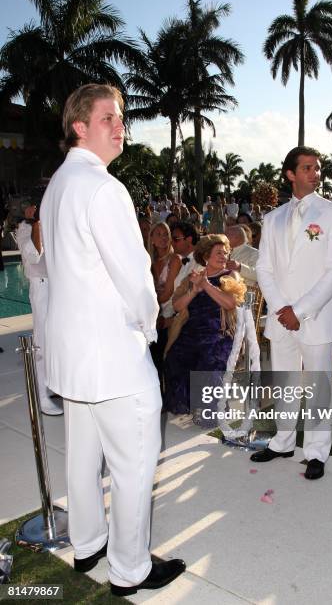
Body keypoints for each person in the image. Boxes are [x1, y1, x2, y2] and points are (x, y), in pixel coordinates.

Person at [40, 84, 185, 597]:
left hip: (75, 358)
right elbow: (136, 278)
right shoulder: (104, 187)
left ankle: (87, 546)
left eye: (121, 117)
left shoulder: (58, 184)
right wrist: (148, 329)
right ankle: (130, 570)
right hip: (114, 357)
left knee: (82, 457)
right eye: (109, 117)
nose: (120, 125)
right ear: (80, 126)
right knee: (133, 464)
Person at [250, 146, 332, 480]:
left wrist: (300, 310)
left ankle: (317, 452)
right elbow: (264, 268)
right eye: (307, 168)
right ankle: (283, 441)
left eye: (317, 168)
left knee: (319, 384)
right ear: (290, 174)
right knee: (286, 382)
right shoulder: (273, 217)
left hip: (316, 316)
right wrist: (282, 309)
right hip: (282, 318)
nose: (315, 173)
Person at [163, 234, 245, 415]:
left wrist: (206, 285)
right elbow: (177, 306)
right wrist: (194, 291)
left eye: (225, 253)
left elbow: (231, 303)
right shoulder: (194, 277)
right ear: (206, 256)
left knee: (208, 359)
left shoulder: (231, 275)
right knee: (175, 356)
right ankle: (186, 405)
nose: (224, 256)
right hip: (191, 332)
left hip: (220, 334)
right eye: (218, 253)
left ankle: (208, 410)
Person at [15, 203, 63, 415]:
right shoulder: (25, 228)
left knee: (58, 338)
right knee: (41, 340)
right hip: (41, 286)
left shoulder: (55, 223)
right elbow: (34, 257)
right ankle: (41, 396)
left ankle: (52, 384)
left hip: (59, 286)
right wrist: (36, 226)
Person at [148, 222, 182, 394]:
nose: (163, 238)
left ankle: (161, 392)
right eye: (159, 234)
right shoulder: (148, 262)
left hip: (171, 309)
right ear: (152, 239)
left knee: (155, 334)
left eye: (166, 234)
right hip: (155, 310)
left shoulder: (175, 259)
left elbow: (167, 293)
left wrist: (150, 308)